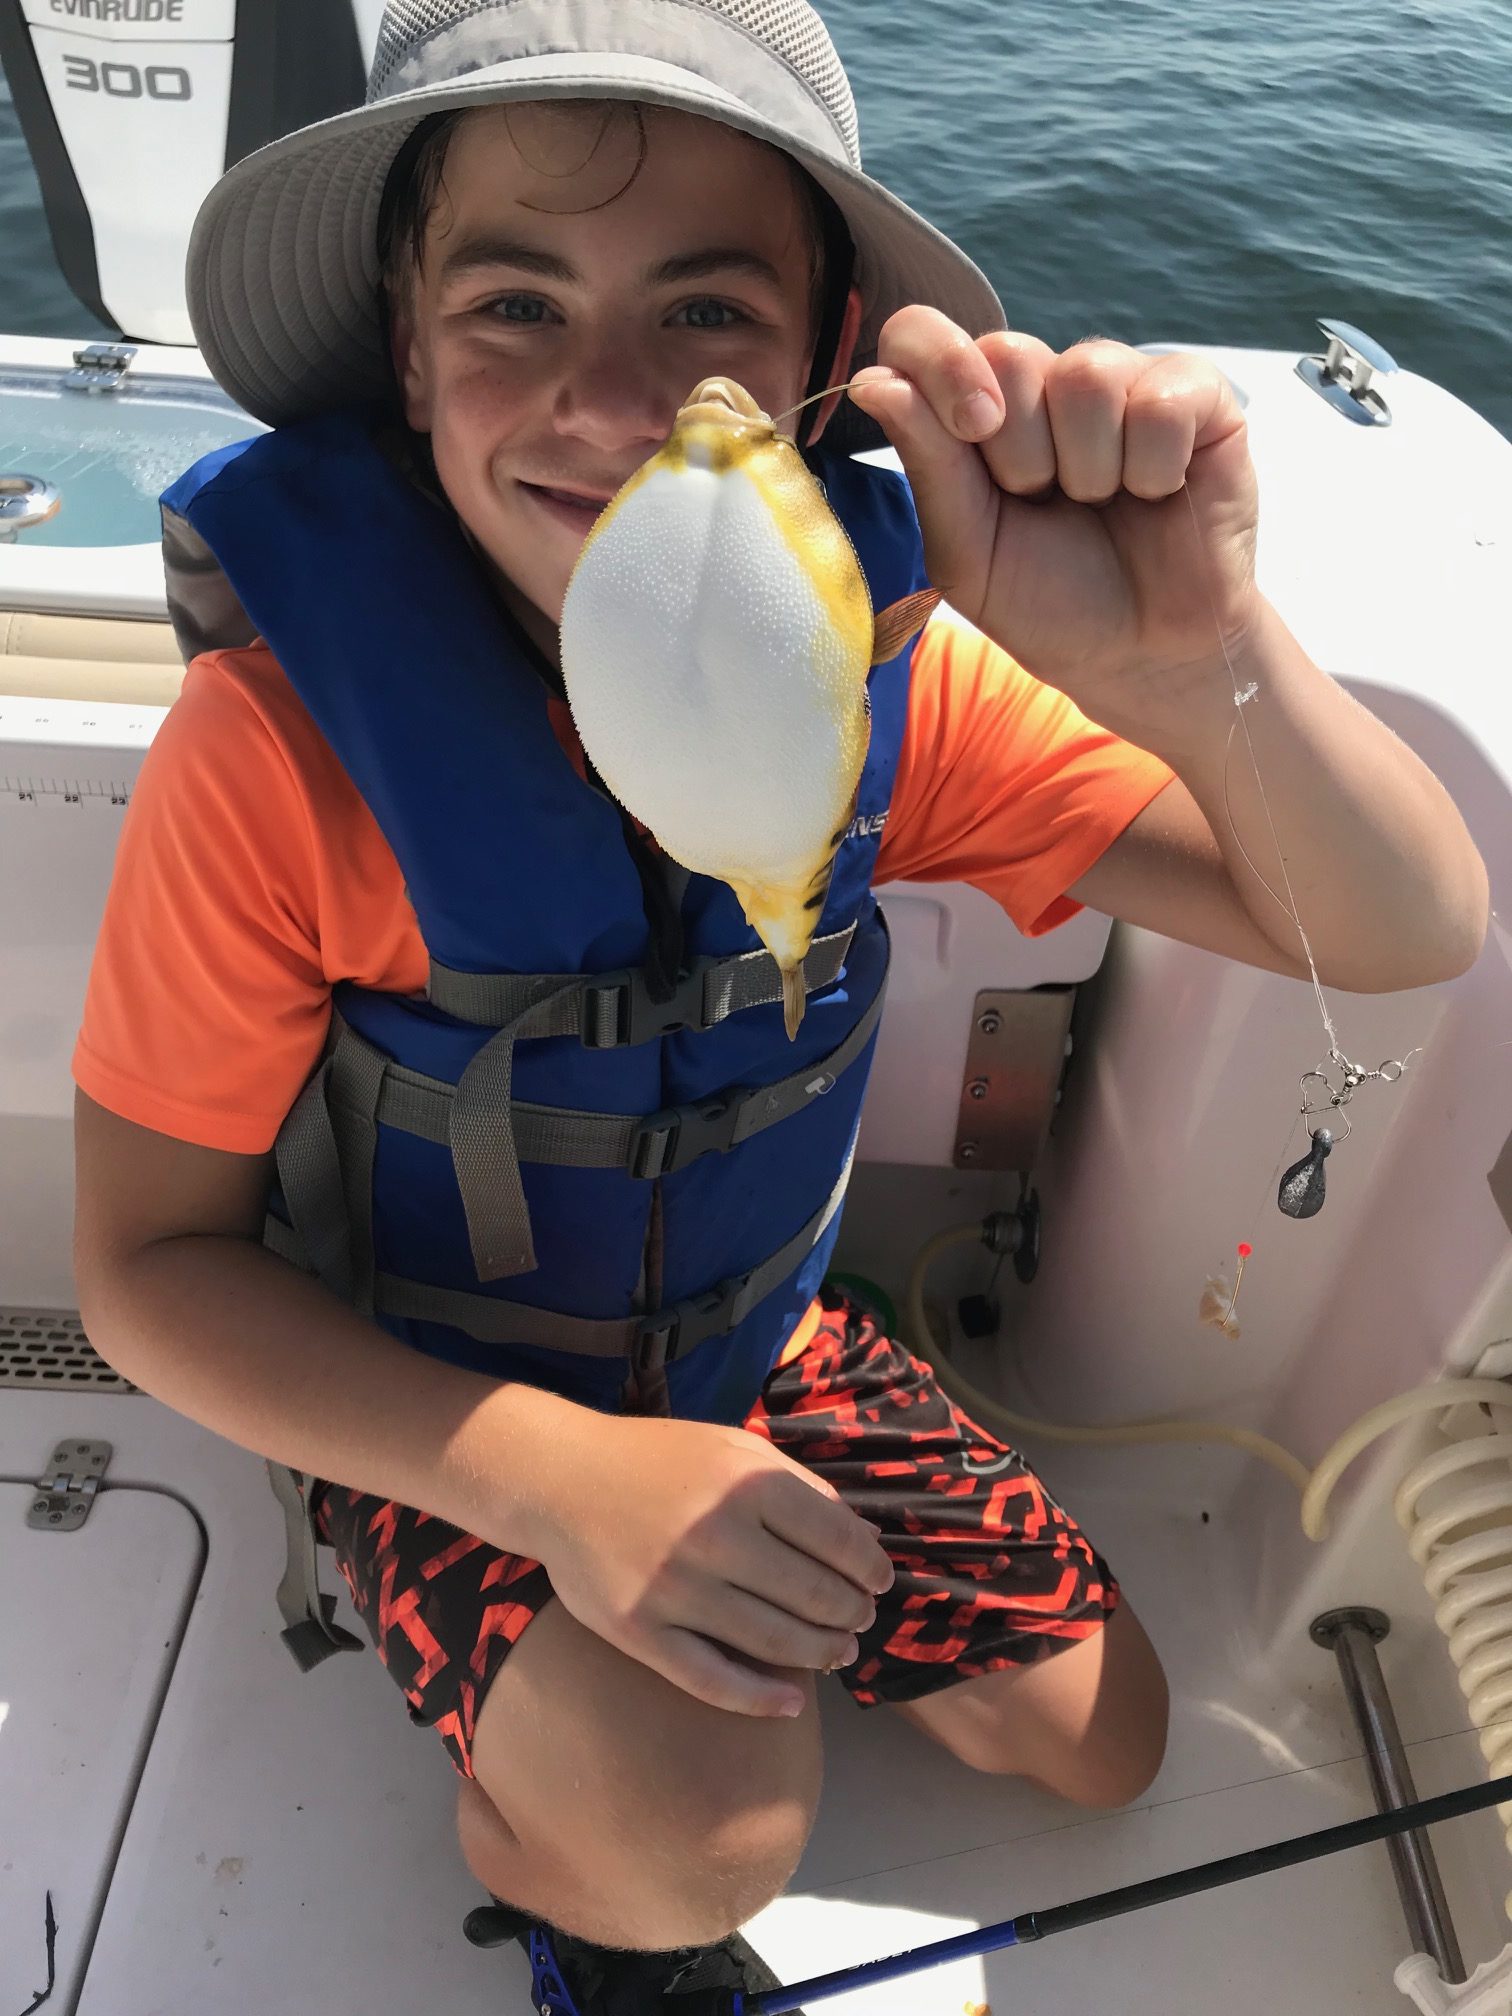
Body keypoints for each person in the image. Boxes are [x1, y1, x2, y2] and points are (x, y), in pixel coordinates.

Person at [70, 4, 1489, 2012]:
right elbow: (145, 1273)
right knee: (698, 1831)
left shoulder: (881, 682)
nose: (605, 399)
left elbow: (1404, 927)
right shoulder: (278, 756)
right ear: (407, 351)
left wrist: (1193, 660)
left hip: (756, 1336)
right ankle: (572, 1883)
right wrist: (555, 1484)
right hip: (430, 1399)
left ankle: (735, 1543)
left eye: (705, 311)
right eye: (514, 305)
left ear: (825, 359)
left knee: (1104, 1746)